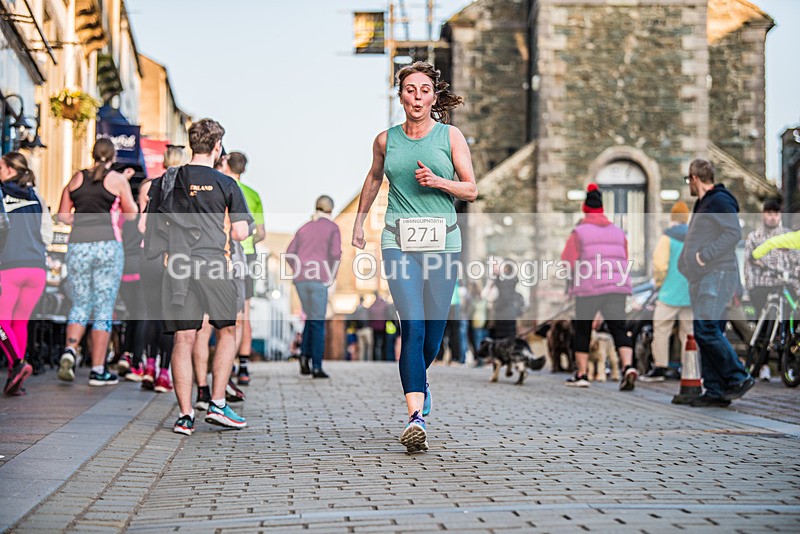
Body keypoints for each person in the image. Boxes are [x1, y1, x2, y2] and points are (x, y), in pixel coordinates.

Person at [351, 61, 477, 452]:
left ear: (434, 97)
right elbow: (374, 178)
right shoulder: (385, 141)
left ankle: (421, 380)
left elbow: (471, 189)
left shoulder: (450, 136)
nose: (417, 98)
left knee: (433, 335)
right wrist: (359, 221)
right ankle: (415, 417)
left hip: (443, 245)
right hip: (399, 242)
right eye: (410, 90)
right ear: (401, 95)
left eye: (424, 90)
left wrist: (438, 182)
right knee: (413, 325)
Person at [145, 118, 253, 435]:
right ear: (217, 147)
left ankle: (185, 415)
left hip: (177, 265)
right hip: (214, 264)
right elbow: (240, 231)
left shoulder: (169, 179)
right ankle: (217, 403)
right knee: (228, 331)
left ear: (192, 144)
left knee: (184, 338)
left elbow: (150, 223)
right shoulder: (226, 184)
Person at [57, 138, 137, 386]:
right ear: (113, 156)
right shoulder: (116, 180)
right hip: (107, 246)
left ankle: (70, 349)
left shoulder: (76, 178)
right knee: (103, 307)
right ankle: (98, 369)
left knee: (80, 303)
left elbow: (63, 216)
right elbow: (131, 213)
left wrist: (81, 220)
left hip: (78, 246)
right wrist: (124, 184)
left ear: (92, 154)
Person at [678, 158, 754, 407]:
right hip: (703, 277)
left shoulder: (719, 200)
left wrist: (703, 256)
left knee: (706, 329)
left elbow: (733, 233)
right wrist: (685, 263)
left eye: (688, 180)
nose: (689, 184)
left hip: (717, 274)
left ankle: (739, 376)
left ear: (695, 178)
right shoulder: (703, 203)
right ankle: (715, 390)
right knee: (709, 332)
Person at [561, 183, 636, 390]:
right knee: (619, 328)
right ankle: (628, 366)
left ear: (585, 208)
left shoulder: (579, 232)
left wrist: (569, 285)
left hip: (589, 287)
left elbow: (568, 261)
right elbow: (624, 258)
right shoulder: (618, 232)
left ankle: (582, 374)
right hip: (616, 287)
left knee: (583, 329)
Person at [0, 152, 51, 396]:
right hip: (36, 267)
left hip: (10, 266)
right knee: (19, 322)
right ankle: (16, 379)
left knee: (2, 322)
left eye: (1, 167)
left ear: (10, 169)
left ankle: (18, 364)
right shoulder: (36, 196)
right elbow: (47, 234)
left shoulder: (2, 194)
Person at [137, 145, 186, 392]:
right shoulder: (185, 189)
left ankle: (148, 368)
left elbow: (142, 225)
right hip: (174, 258)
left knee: (151, 313)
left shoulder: (150, 186)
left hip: (150, 257)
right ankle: (164, 375)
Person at [285, 195, 342, 379]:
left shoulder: (304, 227)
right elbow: (335, 253)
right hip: (318, 278)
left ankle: (304, 356)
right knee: (318, 321)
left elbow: (289, 253)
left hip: (300, 279)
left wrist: (298, 269)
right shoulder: (332, 227)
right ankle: (316, 366)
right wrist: (331, 276)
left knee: (310, 317)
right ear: (330, 210)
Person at [744, 198, 799, 381]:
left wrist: (794, 280)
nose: (773, 217)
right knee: (763, 324)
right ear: (763, 214)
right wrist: (752, 287)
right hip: (763, 285)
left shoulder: (788, 235)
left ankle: (789, 361)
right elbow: (749, 264)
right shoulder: (755, 237)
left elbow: (797, 261)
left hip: (787, 284)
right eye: (769, 213)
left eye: (776, 213)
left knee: (791, 321)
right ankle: (763, 365)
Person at [223, 152, 264, 386]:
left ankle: (226, 364)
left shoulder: (221, 186)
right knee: (245, 312)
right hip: (247, 255)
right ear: (244, 170)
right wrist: (250, 241)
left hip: (223, 252)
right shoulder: (253, 195)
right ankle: (244, 366)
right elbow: (261, 232)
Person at [642, 201, 692, 382]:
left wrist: (659, 283)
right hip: (690, 293)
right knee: (689, 333)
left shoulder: (667, 237)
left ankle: (660, 367)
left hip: (668, 292)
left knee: (661, 329)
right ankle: (689, 369)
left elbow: (660, 265)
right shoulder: (694, 236)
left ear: (672, 217)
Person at [116, 166, 148, 383]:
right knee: (143, 315)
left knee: (132, 314)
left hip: (124, 269)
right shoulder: (149, 218)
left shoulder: (125, 216)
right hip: (141, 269)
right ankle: (136, 362)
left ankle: (126, 355)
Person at [353, 296, 372, 361]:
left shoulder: (357, 310)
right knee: (368, 346)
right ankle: (368, 360)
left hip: (360, 329)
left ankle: (362, 360)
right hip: (366, 329)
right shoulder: (366, 310)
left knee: (362, 347)